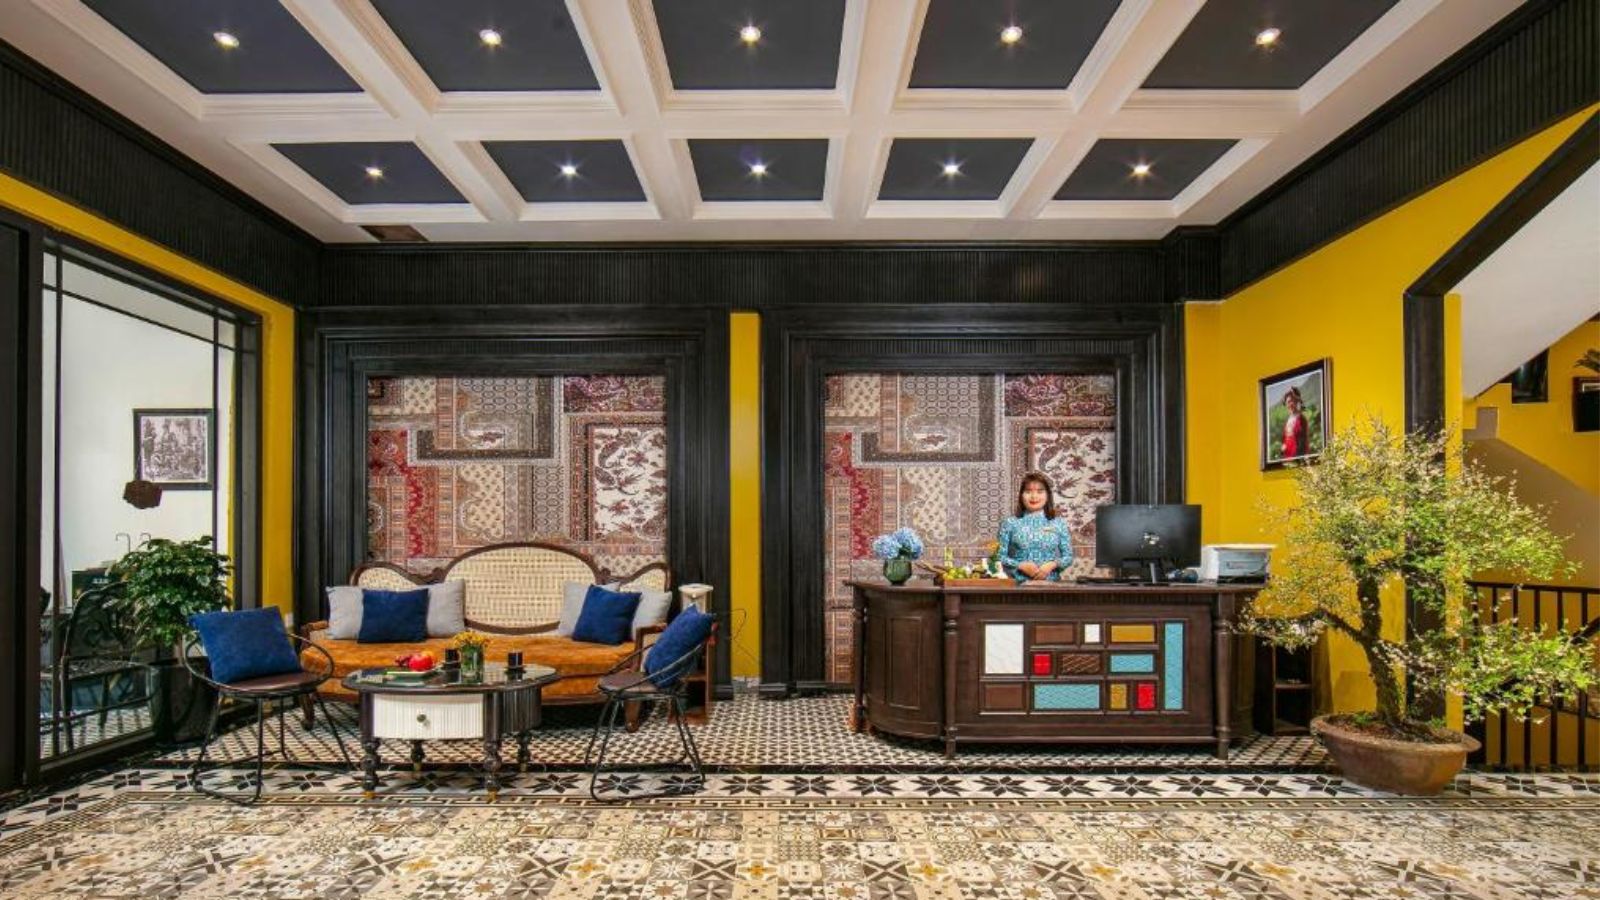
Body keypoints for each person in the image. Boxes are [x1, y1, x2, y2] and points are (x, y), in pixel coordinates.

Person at [995, 471, 1074, 583]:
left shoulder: (1058, 523)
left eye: (1040, 491)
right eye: (1028, 491)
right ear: (1021, 495)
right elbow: (998, 557)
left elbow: (1068, 557)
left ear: (1047, 495)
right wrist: (1020, 565)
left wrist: (1052, 564)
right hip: (1018, 586)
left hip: (1052, 586)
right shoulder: (1009, 523)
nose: (1034, 496)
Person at [1281, 386, 1308, 459]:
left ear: (1296, 402)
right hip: (1287, 457)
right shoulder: (1288, 420)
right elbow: (1284, 439)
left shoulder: (1301, 419)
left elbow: (1302, 443)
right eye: (1287, 402)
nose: (1289, 404)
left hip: (1297, 457)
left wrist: (1297, 457)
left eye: (1291, 401)